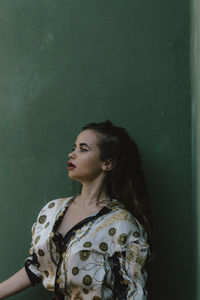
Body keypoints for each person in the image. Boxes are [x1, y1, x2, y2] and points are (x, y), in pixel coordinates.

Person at [0, 120, 152, 300]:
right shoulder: (52, 210)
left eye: (83, 149)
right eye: (74, 147)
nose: (72, 154)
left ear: (107, 164)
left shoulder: (122, 225)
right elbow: (37, 267)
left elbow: (133, 294)